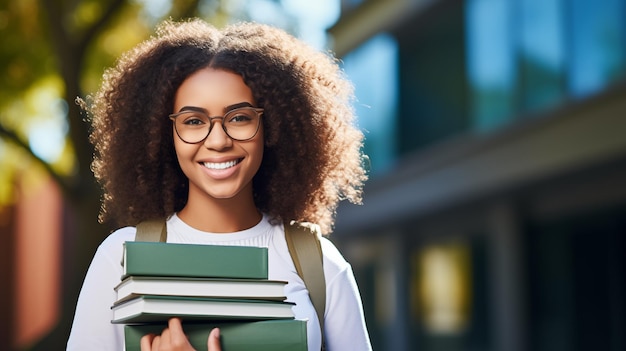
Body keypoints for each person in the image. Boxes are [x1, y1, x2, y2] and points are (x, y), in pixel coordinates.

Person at [67, 18, 371, 351]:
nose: (218, 141)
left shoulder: (321, 266)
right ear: (162, 134)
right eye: (193, 121)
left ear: (272, 126)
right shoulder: (119, 259)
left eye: (239, 117)